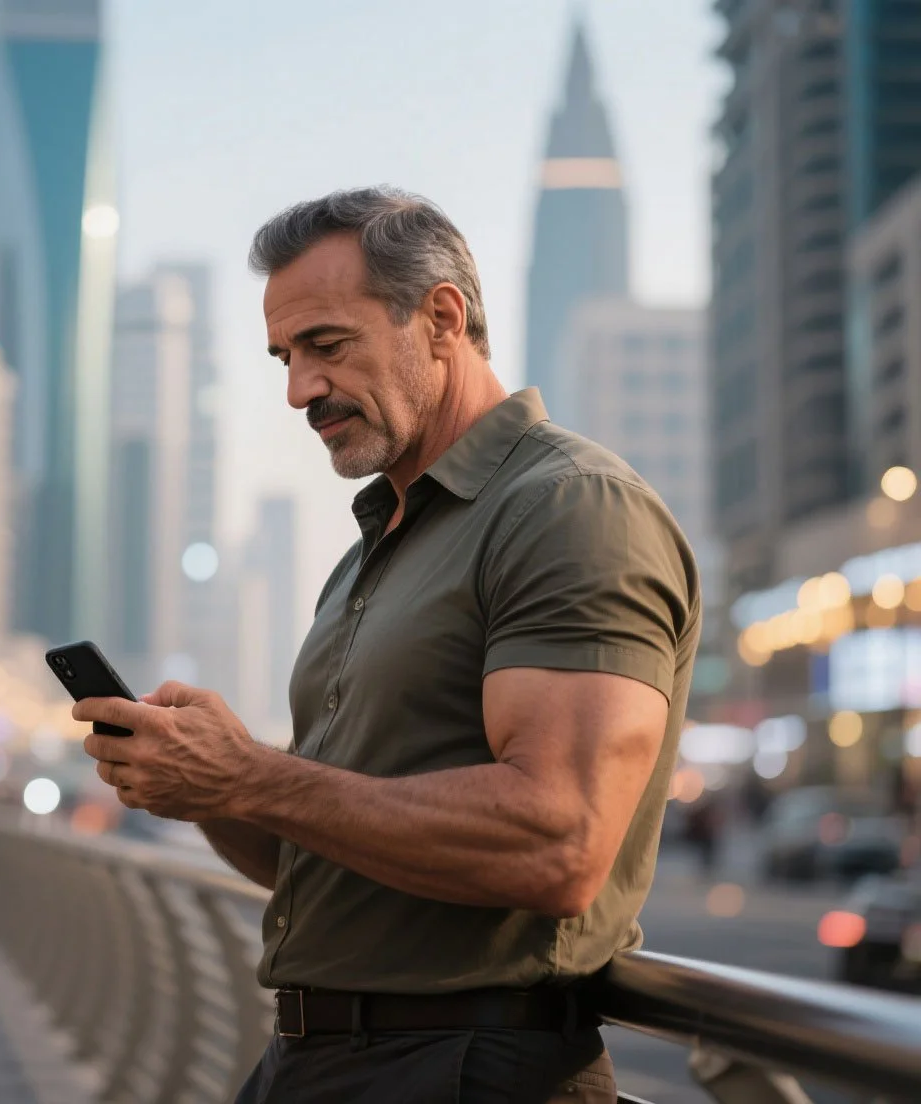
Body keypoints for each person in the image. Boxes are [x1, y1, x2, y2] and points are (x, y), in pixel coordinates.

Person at [75, 188, 700, 1104]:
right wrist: (208, 783)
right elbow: (321, 854)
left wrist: (252, 777)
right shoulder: (379, 546)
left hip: (463, 1066)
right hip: (322, 1060)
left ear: (441, 317)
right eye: (285, 357)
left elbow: (557, 840)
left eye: (327, 345)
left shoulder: (568, 506)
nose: (299, 389)